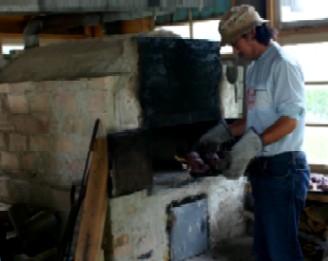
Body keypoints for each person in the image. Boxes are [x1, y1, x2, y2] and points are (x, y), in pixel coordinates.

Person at [197, 4, 310, 261]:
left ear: (250, 33)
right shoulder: (255, 66)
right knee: (264, 251)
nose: (234, 50)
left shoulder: (283, 64)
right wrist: (222, 133)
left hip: (284, 170)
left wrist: (251, 145)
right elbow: (251, 121)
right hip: (263, 170)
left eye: (235, 43)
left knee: (282, 252)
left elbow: (290, 120)